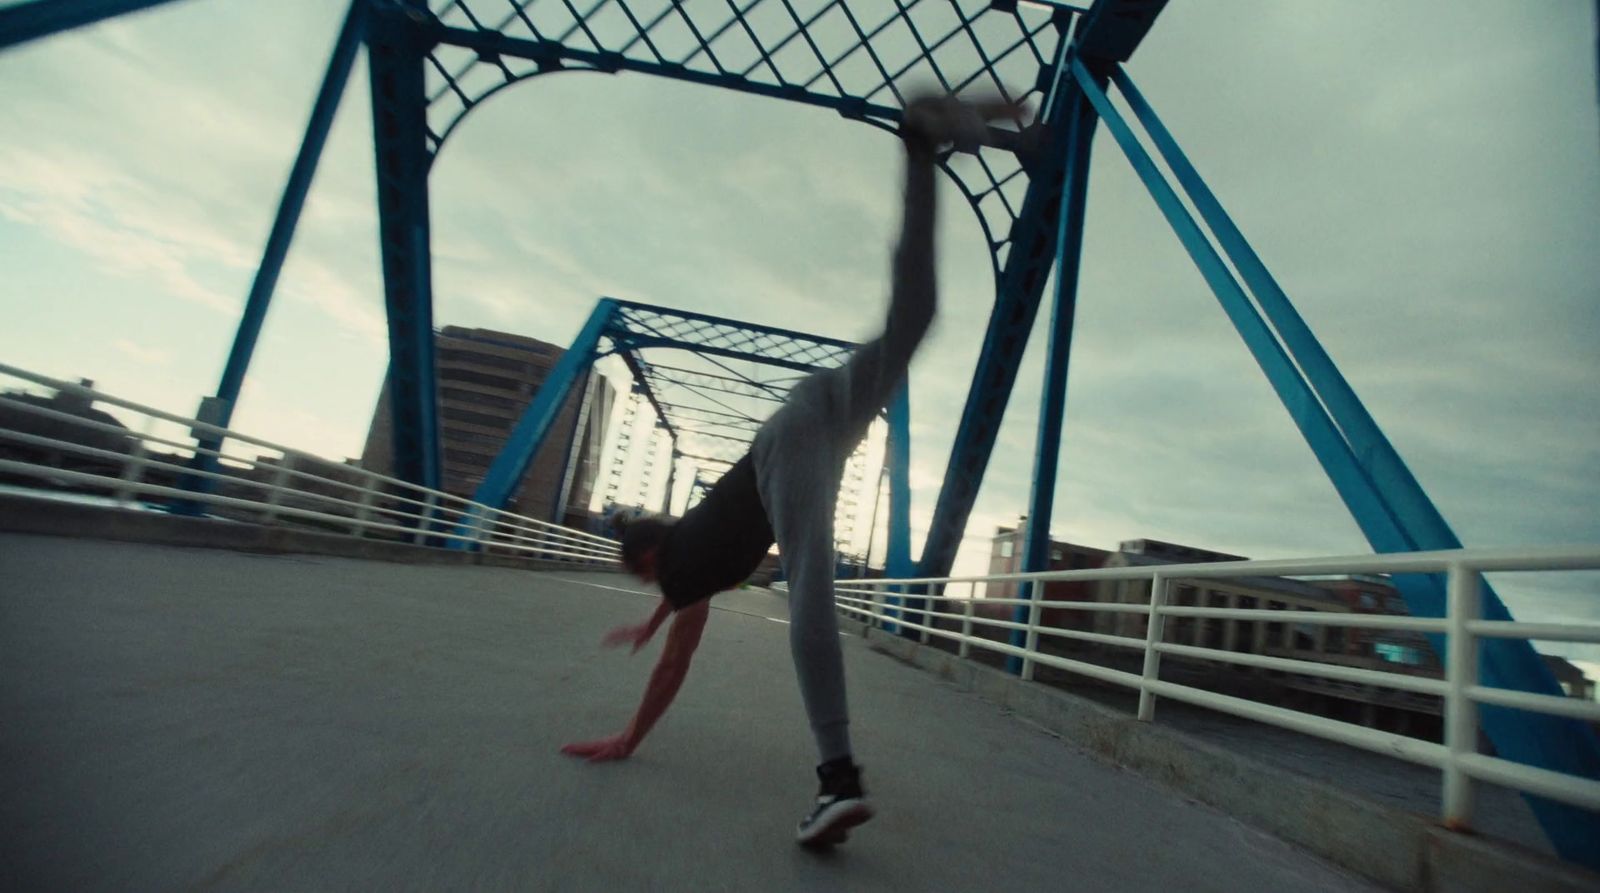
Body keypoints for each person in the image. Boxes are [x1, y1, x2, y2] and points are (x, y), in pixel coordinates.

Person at [561, 93, 1026, 848]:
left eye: (644, 579)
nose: (652, 589)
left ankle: (837, 779)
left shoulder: (683, 574)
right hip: (815, 415)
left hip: (791, 442)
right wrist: (647, 622)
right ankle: (919, 146)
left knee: (811, 591)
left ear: (650, 560)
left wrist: (628, 736)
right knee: (916, 320)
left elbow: (677, 657)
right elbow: (676, 596)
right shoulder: (685, 555)